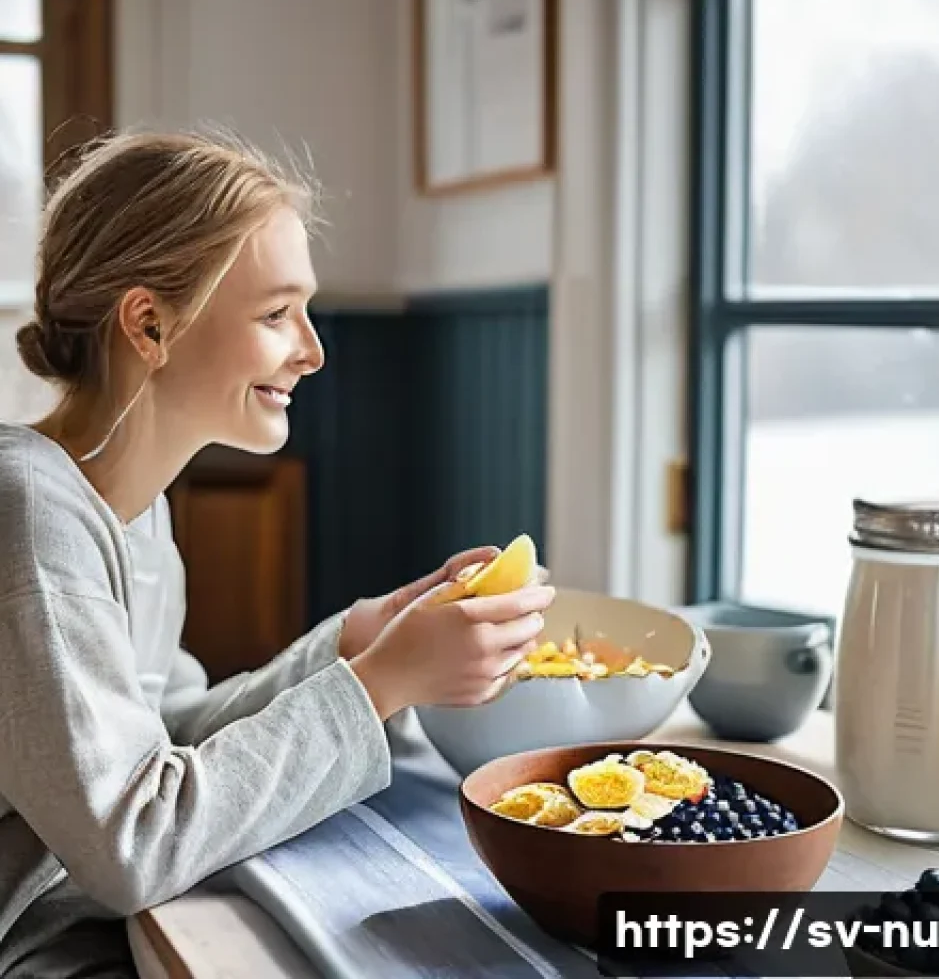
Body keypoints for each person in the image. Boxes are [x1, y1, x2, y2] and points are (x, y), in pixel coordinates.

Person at [0, 129, 555, 978]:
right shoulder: (32, 517)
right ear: (150, 324)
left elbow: (164, 742)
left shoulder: (132, 512)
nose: (314, 350)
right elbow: (131, 842)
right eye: (275, 314)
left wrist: (353, 645)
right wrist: (382, 686)